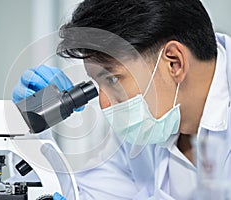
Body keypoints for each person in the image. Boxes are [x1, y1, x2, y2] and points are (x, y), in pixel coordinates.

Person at [12, 0, 231, 199]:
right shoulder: (144, 128)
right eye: (98, 84)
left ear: (174, 62)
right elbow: (81, 195)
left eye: (113, 79)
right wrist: (29, 132)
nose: (104, 104)